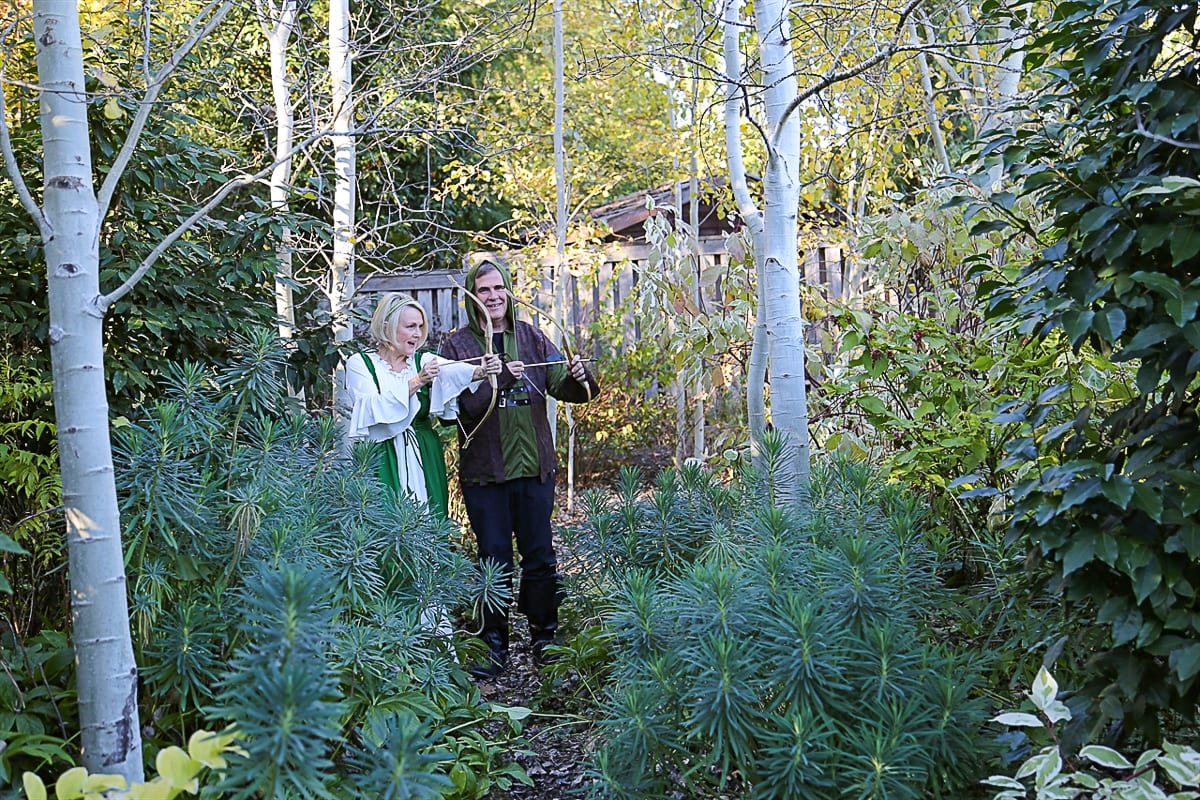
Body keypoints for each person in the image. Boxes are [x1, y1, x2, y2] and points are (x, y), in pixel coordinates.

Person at [439, 261, 600, 679]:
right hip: (485, 475)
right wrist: (497, 382)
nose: (492, 296)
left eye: (498, 288)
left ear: (508, 291)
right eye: (483, 289)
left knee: (540, 558)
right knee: (493, 560)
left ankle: (544, 639)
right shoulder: (456, 348)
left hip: (534, 469)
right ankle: (493, 646)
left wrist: (582, 376)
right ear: (472, 296)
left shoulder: (529, 336)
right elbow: (454, 414)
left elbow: (564, 386)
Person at [344, 292, 502, 508]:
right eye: (410, 326)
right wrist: (417, 381)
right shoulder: (359, 363)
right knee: (381, 521)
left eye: (420, 327)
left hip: (423, 451)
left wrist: (482, 370)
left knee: (430, 515)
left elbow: (455, 371)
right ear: (387, 326)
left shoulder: (422, 360)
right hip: (380, 455)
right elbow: (371, 407)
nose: (417, 334)